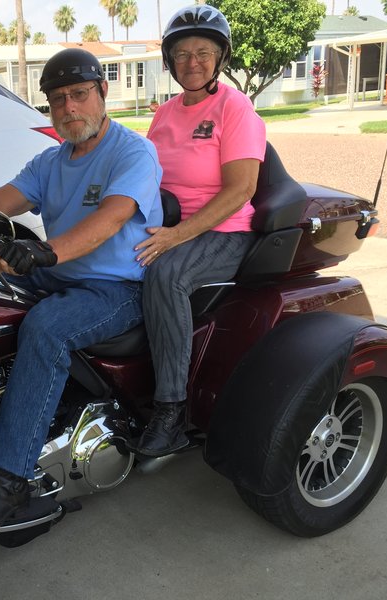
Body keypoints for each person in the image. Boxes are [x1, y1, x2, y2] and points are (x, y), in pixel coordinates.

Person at [0, 48, 164, 533]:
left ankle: (10, 483)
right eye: (58, 99)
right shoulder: (51, 160)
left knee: (45, 329)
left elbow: (113, 217)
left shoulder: (132, 151)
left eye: (79, 95)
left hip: (117, 287)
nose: (69, 109)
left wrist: (46, 252)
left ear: (102, 93)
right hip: (60, 274)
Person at [133, 5, 267, 456]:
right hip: (169, 224)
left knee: (165, 274)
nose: (193, 63)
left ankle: (171, 409)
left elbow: (241, 189)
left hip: (224, 230)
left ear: (220, 58)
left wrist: (177, 235)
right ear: (170, 62)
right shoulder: (166, 113)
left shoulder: (235, 107)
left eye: (203, 53)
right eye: (183, 54)